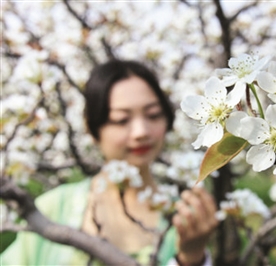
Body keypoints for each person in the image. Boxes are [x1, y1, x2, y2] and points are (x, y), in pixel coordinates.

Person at [1, 60, 218, 265]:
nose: (141, 131)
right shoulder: (52, 208)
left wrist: (191, 257)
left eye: (153, 115)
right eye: (121, 120)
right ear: (92, 127)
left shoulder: (184, 218)